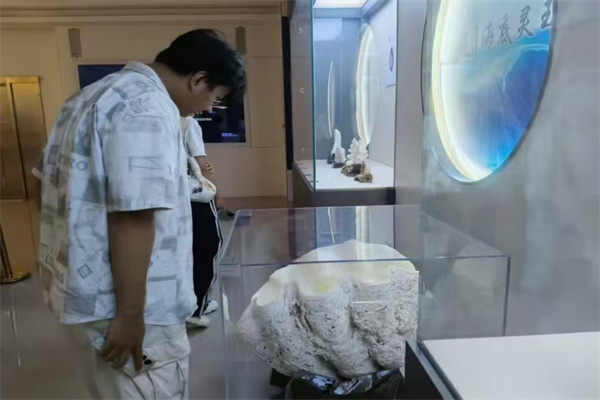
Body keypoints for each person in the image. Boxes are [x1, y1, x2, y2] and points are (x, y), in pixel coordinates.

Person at [34, 29, 245, 399]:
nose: (209, 109)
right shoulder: (148, 108)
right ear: (198, 80)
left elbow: (41, 184)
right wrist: (131, 316)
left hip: (84, 293)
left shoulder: (86, 97)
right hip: (137, 308)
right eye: (215, 97)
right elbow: (133, 217)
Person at [181, 116, 222, 328]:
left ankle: (186, 304)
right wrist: (217, 193)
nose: (209, 107)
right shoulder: (188, 122)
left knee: (185, 251)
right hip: (194, 197)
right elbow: (202, 164)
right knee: (208, 246)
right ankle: (197, 307)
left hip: (172, 197)